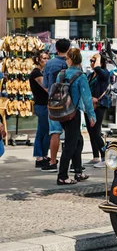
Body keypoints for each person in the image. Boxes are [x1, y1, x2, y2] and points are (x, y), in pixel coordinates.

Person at [56, 48, 96, 185]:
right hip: (73, 114)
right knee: (70, 145)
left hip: (61, 113)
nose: (66, 60)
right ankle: (62, 176)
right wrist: (91, 115)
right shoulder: (81, 76)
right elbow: (87, 98)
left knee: (77, 141)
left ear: (70, 59)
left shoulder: (61, 74)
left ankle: (78, 171)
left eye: (67, 58)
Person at [41, 38, 70, 172]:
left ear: (56, 49)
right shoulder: (72, 62)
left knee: (55, 132)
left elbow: (45, 85)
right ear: (68, 49)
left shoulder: (50, 63)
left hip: (54, 102)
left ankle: (53, 161)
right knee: (73, 133)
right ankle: (74, 163)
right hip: (71, 102)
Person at [85, 53, 111, 168]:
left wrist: (98, 60)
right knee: (91, 131)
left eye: (94, 61)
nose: (91, 63)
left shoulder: (104, 73)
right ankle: (95, 156)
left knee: (96, 131)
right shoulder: (90, 75)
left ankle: (104, 156)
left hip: (100, 104)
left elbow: (101, 72)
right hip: (89, 105)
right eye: (91, 61)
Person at [29, 50, 50, 168]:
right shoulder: (36, 73)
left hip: (44, 105)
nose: (46, 61)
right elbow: (46, 87)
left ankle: (42, 155)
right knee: (43, 131)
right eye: (44, 59)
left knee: (43, 130)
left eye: (47, 58)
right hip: (41, 105)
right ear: (38, 60)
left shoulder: (42, 72)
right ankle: (40, 156)